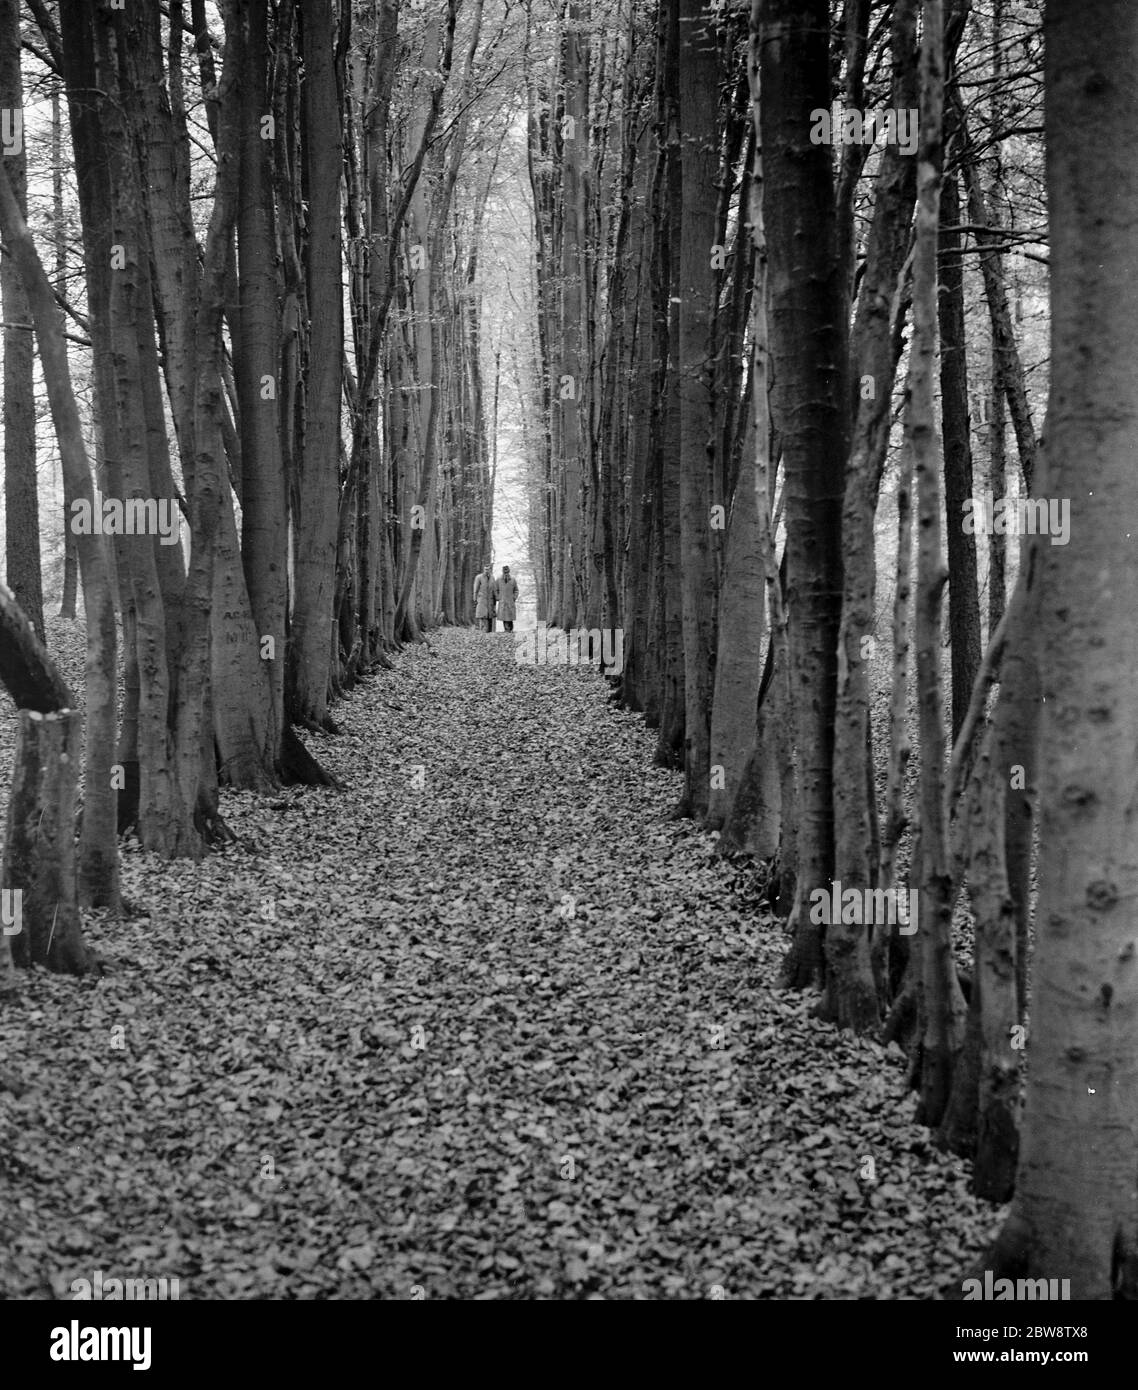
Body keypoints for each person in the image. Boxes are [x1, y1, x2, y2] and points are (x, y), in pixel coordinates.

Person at [473, 565, 497, 632]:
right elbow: (475, 590)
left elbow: (494, 590)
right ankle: (483, 634)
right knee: (483, 617)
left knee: (490, 618)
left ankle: (489, 635)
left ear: (490, 570)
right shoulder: (479, 577)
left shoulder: (492, 578)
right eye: (485, 569)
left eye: (488, 569)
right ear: (484, 569)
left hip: (490, 601)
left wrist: (495, 600)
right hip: (482, 600)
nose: (487, 571)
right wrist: (475, 600)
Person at [497, 565, 519, 632]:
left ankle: (510, 629)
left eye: (507, 572)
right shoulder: (498, 580)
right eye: (505, 572)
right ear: (503, 572)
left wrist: (514, 597)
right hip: (502, 601)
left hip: (510, 601)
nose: (506, 573)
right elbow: (495, 590)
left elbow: (516, 590)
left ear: (509, 572)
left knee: (510, 616)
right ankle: (506, 630)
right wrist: (498, 597)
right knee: (504, 617)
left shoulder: (513, 580)